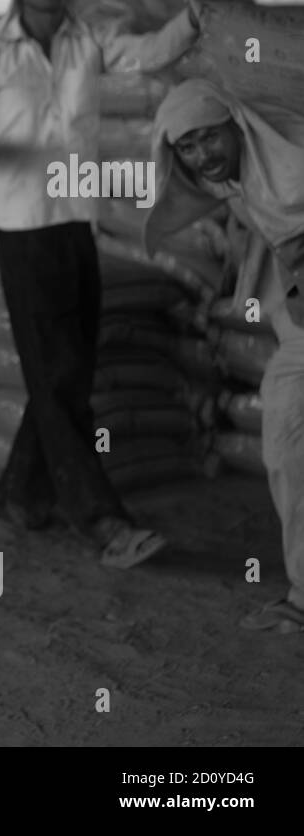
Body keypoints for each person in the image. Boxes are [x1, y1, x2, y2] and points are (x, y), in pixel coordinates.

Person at [0, 0, 243, 568]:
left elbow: (152, 54)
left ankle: (16, 497)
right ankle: (101, 520)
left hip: (75, 224)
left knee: (66, 371)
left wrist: (197, 10)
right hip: (23, 230)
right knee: (59, 376)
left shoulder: (86, 43)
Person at [146, 77, 304, 632]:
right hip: (298, 329)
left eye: (208, 138)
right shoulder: (237, 180)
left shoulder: (292, 162)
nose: (200, 155)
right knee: (285, 443)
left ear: (236, 125)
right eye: (186, 147)